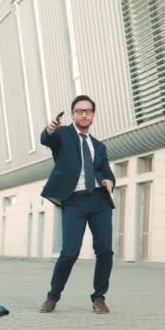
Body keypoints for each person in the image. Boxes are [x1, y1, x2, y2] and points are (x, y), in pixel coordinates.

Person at [39, 95, 116, 314]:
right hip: (74, 201)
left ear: (93, 114)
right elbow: (47, 139)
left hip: (99, 200)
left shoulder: (99, 146)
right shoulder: (63, 135)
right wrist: (51, 128)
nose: (84, 114)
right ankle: (53, 296)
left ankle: (99, 297)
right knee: (70, 252)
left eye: (88, 111)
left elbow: (107, 172)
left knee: (105, 251)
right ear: (73, 114)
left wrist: (110, 181)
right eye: (80, 111)